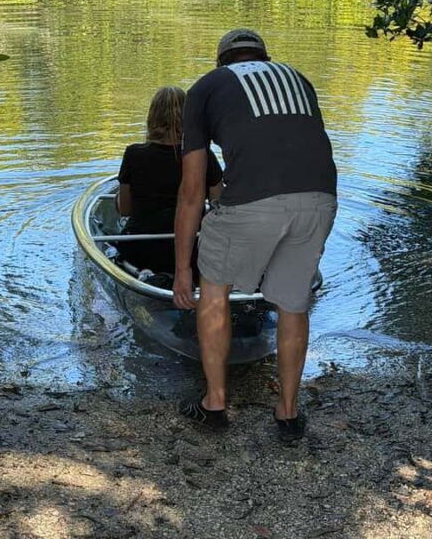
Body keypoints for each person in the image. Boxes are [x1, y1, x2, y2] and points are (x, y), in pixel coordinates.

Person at [174, 29, 337, 441]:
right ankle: (287, 414)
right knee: (293, 301)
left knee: (214, 289)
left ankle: (214, 403)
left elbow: (192, 191)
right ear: (265, 56)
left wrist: (180, 270)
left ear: (221, 61)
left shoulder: (206, 88)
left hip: (252, 204)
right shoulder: (299, 78)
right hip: (320, 198)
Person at [116, 86, 223, 280]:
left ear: (153, 117)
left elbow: (125, 209)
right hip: (192, 249)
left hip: (143, 248)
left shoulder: (133, 154)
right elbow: (219, 206)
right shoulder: (203, 155)